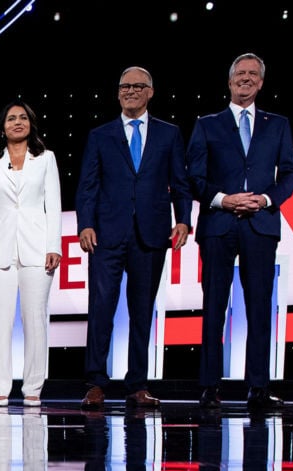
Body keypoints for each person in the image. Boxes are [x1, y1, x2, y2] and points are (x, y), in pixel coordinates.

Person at [76, 66, 192, 410]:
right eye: (124, 86)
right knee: (101, 309)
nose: (130, 91)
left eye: (138, 86)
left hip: (151, 234)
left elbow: (180, 183)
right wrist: (85, 224)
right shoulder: (100, 135)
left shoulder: (169, 134)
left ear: (150, 92)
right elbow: (88, 185)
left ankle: (137, 385)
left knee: (142, 311)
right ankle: (95, 383)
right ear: (118, 93)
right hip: (107, 235)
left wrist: (183, 220)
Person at [188, 53, 293, 410]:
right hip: (219, 225)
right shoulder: (208, 124)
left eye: (253, 74)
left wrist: (266, 199)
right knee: (215, 306)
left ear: (262, 82)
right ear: (230, 80)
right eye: (240, 74)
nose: (246, 79)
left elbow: (291, 174)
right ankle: (209, 388)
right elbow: (195, 177)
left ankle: (259, 389)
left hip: (260, 225)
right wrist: (224, 199)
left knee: (259, 309)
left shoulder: (277, 124)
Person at [0, 102, 61, 406]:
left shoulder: (46, 159)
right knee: (0, 319)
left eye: (23, 118)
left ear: (31, 124)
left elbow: (54, 205)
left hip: (38, 248)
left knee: (35, 318)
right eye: (12, 118)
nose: (18, 122)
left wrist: (54, 246)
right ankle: (0, 387)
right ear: (3, 126)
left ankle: (33, 388)